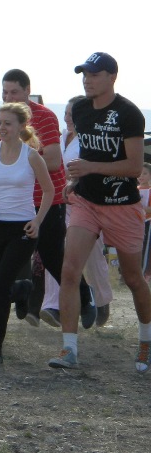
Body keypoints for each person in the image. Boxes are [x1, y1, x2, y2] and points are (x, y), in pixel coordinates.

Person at [0, 68, 95, 336]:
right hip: (5, 204)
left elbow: (52, 161)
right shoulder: (1, 119)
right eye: (4, 92)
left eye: (14, 91)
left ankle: (84, 296)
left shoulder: (45, 117)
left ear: (27, 90)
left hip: (43, 200)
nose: (9, 96)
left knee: (52, 257)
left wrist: (20, 159)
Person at [48, 52, 151, 373]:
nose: (86, 80)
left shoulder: (129, 113)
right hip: (86, 203)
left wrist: (89, 167)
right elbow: (86, 154)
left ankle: (146, 341)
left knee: (133, 278)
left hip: (123, 206)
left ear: (111, 77)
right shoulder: (80, 109)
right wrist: (75, 181)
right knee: (69, 270)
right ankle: (69, 348)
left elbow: (134, 167)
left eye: (93, 74)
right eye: (84, 74)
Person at [0, 103, 53, 366]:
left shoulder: (31, 156)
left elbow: (49, 191)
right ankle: (22, 289)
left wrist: (37, 221)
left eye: (7, 123)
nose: (2, 127)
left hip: (22, 229)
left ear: (21, 126)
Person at [39, 95, 114, 328]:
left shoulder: (93, 139)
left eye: (73, 113)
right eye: (67, 112)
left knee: (93, 257)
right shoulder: (57, 138)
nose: (68, 117)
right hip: (58, 202)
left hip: (88, 201)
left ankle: (101, 298)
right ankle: (53, 305)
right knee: (57, 248)